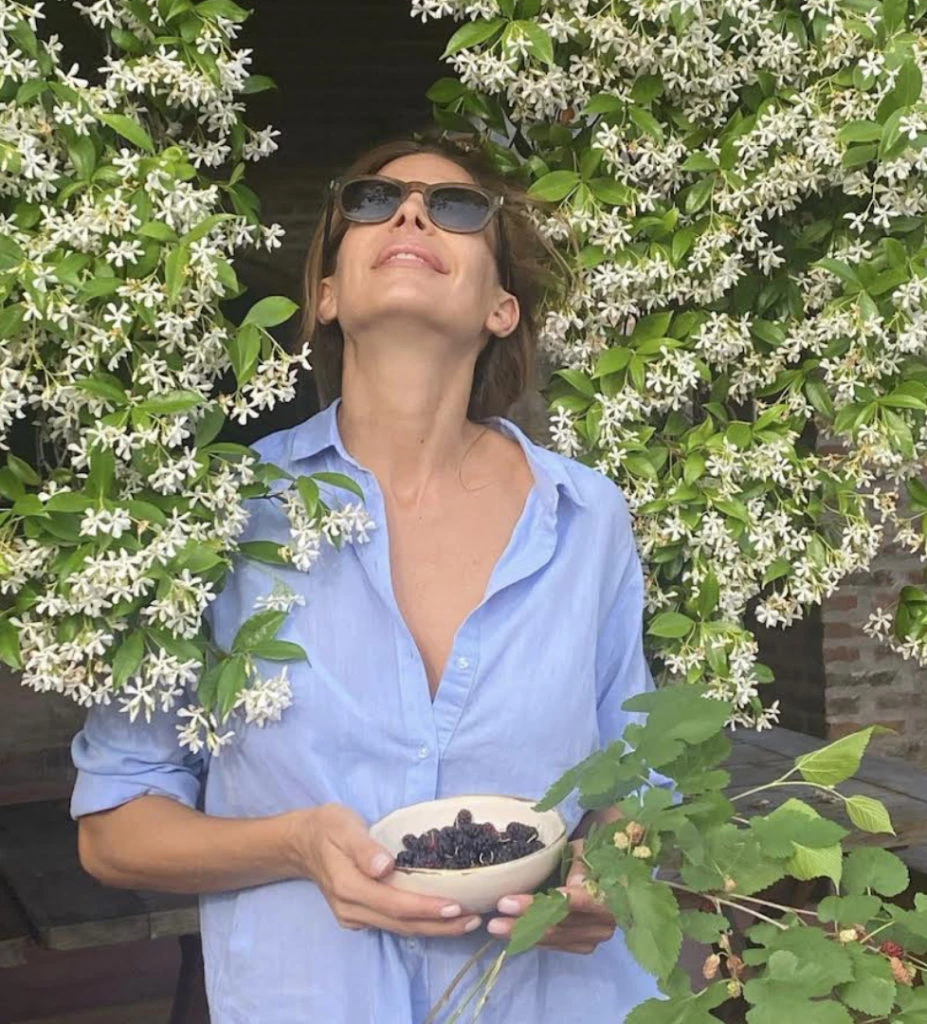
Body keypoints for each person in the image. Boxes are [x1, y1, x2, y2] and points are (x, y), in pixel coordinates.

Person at [70, 136, 665, 1022]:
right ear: (325, 295)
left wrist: (610, 872)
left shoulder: (585, 518)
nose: (411, 213)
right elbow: (114, 830)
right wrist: (297, 845)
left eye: (454, 208)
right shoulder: (217, 518)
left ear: (501, 308)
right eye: (373, 202)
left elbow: (639, 775)